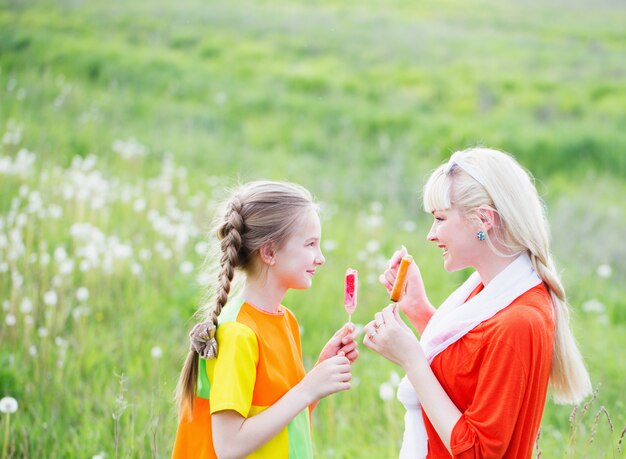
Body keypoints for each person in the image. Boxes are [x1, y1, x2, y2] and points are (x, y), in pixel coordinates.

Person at [363, 148, 592, 458]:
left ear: (484, 219)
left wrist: (411, 359)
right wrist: (418, 309)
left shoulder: (519, 319)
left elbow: (477, 453)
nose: (432, 234)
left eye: (440, 218)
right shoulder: (491, 292)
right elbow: (467, 367)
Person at [172, 180, 359, 459]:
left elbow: (286, 418)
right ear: (269, 252)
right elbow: (229, 446)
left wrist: (319, 375)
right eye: (310, 244)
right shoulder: (238, 333)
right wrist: (308, 389)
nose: (321, 258)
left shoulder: (286, 320)